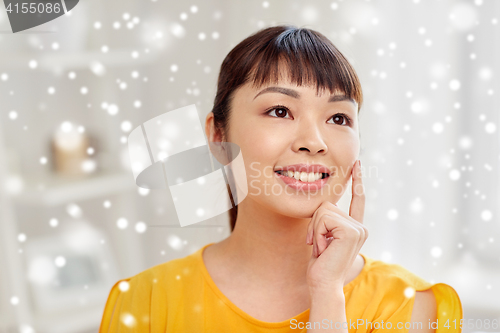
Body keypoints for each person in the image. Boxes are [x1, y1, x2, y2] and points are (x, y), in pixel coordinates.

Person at [99, 25, 462, 333]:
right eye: (279, 111)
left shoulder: (412, 308)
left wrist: (327, 295)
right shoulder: (144, 302)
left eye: (338, 118)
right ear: (217, 134)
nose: (314, 143)